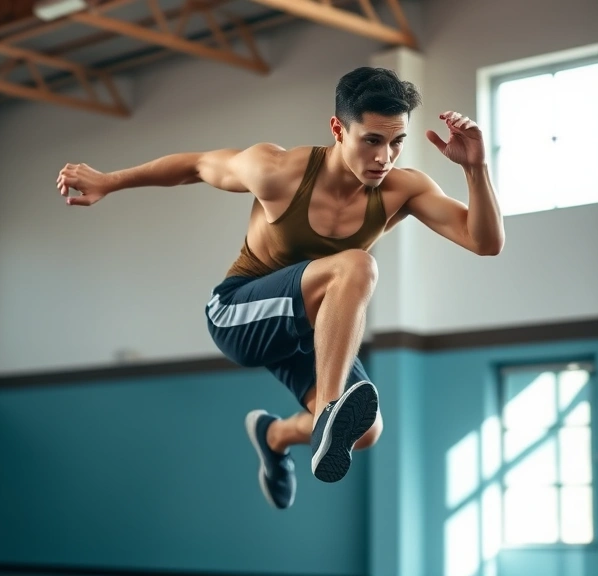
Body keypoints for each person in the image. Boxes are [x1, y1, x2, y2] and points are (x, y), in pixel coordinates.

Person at [55, 66, 505, 510]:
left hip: (309, 329)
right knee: (356, 267)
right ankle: (330, 408)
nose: (385, 158)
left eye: (396, 143)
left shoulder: (402, 189)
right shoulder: (279, 170)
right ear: (338, 129)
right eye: (372, 140)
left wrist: (477, 168)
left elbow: (484, 242)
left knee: (366, 431)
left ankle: (275, 436)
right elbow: (194, 166)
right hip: (237, 313)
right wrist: (108, 181)